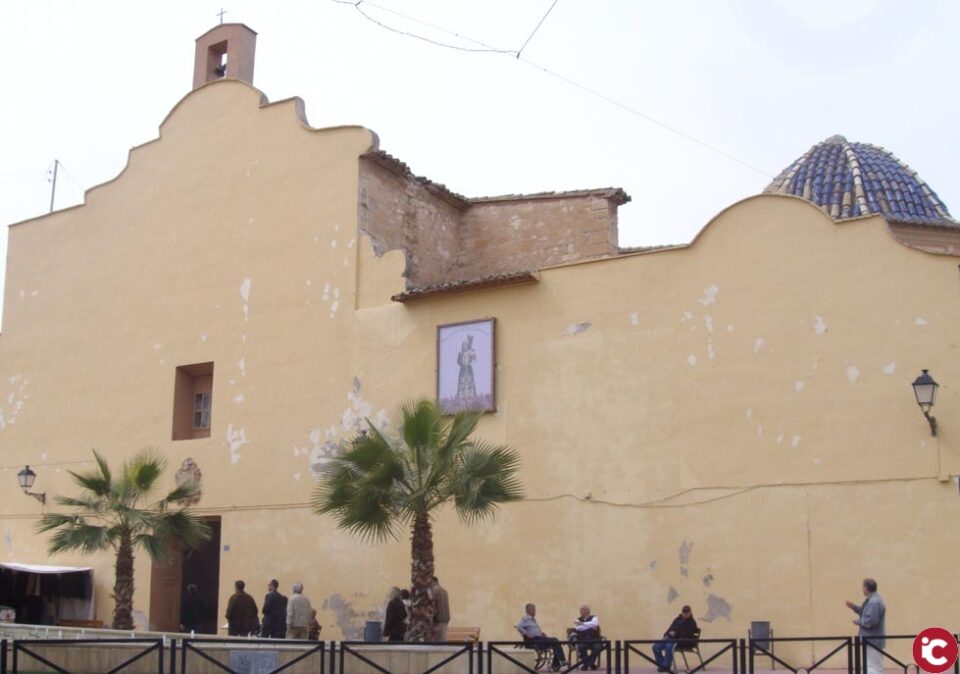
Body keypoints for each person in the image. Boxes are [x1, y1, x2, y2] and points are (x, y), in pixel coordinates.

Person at [846, 578, 886, 674]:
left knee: (874, 668)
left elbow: (871, 621)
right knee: (871, 666)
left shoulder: (874, 602)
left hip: (872, 640)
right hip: (871, 640)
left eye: (863, 587)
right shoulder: (873, 600)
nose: (862, 589)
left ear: (866, 588)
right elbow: (867, 613)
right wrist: (855, 608)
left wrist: (859, 622)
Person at [517, 602, 567, 671]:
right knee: (555, 640)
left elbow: (533, 629)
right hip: (533, 640)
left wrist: (541, 633)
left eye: (534, 609)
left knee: (556, 643)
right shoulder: (525, 618)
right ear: (528, 610)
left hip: (539, 638)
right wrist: (526, 634)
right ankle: (562, 661)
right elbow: (519, 626)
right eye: (533, 609)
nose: (535, 611)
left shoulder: (533, 619)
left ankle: (557, 664)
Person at [652, 605, 698, 672]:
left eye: (687, 612)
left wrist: (676, 634)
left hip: (680, 641)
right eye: (684, 612)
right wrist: (666, 634)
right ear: (682, 612)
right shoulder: (677, 619)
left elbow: (688, 634)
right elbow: (670, 628)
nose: (685, 613)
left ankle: (665, 666)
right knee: (656, 647)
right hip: (670, 638)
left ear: (690, 613)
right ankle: (663, 665)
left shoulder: (692, 623)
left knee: (668, 646)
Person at [568, 605, 601, 670]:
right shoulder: (578, 619)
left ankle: (587, 664)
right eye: (580, 610)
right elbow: (578, 628)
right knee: (581, 647)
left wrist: (582, 624)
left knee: (598, 647)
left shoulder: (594, 617)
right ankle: (590, 664)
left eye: (582, 610)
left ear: (587, 611)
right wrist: (590, 625)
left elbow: (595, 624)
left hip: (594, 639)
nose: (580, 612)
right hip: (583, 639)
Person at [431, 576, 450, 641]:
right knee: (443, 642)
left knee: (435, 645)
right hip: (445, 619)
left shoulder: (433, 590)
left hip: (436, 621)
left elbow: (432, 606)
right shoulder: (444, 591)